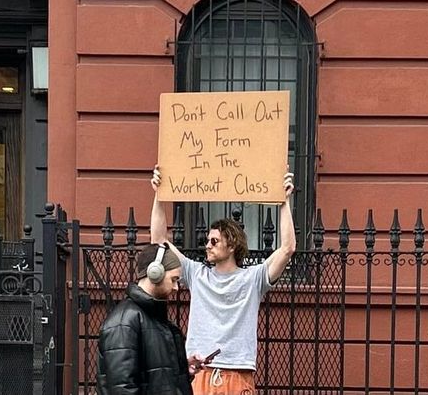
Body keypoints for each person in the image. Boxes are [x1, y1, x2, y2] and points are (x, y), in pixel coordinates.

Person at [150, 165, 296, 395]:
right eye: (208, 240)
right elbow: (159, 240)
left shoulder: (252, 278)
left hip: (237, 374)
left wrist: (284, 201)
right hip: (200, 372)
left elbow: (287, 249)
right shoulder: (197, 274)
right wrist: (159, 195)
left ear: (232, 245)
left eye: (214, 241)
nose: (207, 245)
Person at [97, 243, 207, 395]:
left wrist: (180, 368)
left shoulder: (157, 320)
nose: (177, 287)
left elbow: (153, 378)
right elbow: (122, 388)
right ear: (155, 273)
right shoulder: (124, 322)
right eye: (173, 279)